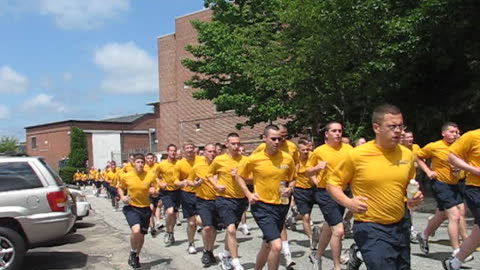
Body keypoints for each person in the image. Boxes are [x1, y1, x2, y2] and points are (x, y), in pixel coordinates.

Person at [327, 104, 423, 270]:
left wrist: (413, 199)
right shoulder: (357, 155)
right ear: (376, 127)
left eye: (400, 126)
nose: (398, 131)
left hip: (400, 225)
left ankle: (356, 254)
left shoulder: (407, 155)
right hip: (371, 226)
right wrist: (349, 203)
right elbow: (332, 184)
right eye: (392, 126)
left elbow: (408, 187)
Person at [237, 125, 296, 270]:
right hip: (262, 205)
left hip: (282, 205)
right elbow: (239, 176)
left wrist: (290, 189)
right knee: (276, 245)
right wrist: (249, 194)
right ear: (264, 139)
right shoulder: (254, 159)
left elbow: (293, 178)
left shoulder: (287, 158)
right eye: (273, 139)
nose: (277, 142)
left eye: (279, 139)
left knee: (268, 244)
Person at [416, 123, 470, 259]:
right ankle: (458, 251)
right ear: (443, 133)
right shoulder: (434, 146)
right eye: (451, 132)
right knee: (455, 215)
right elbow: (417, 156)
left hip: (455, 184)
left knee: (442, 215)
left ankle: (424, 235)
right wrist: (428, 171)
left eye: (457, 132)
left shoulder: (460, 146)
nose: (455, 134)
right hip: (440, 183)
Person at [307, 122, 353, 270]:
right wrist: (317, 168)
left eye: (340, 131)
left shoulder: (348, 149)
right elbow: (307, 172)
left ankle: (317, 255)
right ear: (327, 134)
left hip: (342, 191)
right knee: (338, 230)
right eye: (334, 131)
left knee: (329, 225)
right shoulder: (319, 151)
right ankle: (337, 266)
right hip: (325, 192)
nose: (338, 134)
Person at [442, 129, 480, 269]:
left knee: (478, 232)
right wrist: (473, 170)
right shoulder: (472, 136)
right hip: (476, 189)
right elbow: (451, 157)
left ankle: (454, 262)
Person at [210, 133, 248, 270]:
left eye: (238, 143)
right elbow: (209, 174)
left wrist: (240, 176)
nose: (236, 146)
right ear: (227, 144)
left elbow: (251, 178)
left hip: (240, 200)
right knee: (231, 230)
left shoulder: (245, 160)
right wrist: (216, 185)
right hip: (224, 199)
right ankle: (236, 262)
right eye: (233, 144)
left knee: (231, 231)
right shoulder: (219, 160)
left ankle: (225, 255)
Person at [117, 153, 158, 269]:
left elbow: (156, 190)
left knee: (142, 236)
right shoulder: (127, 176)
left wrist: (154, 191)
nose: (140, 164)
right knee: (136, 231)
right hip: (132, 207)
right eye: (138, 162)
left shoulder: (150, 175)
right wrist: (122, 197)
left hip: (145, 208)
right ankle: (133, 251)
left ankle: (136, 255)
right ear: (133, 163)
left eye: (142, 162)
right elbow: (120, 187)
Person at [189, 143, 218, 266]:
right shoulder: (198, 167)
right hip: (203, 200)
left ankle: (210, 250)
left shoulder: (220, 165)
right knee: (207, 227)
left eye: (214, 151)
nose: (212, 154)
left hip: (218, 200)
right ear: (204, 153)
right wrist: (195, 184)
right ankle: (206, 251)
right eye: (209, 151)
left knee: (214, 228)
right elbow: (190, 180)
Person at [174, 141, 204, 254]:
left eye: (191, 147)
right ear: (184, 150)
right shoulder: (179, 164)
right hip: (187, 194)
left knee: (201, 221)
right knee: (191, 223)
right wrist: (184, 182)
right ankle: (191, 243)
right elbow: (176, 181)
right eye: (187, 148)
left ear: (194, 149)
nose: (190, 150)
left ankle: (207, 247)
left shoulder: (201, 160)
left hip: (201, 193)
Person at [289, 138, 316, 249]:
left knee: (307, 214)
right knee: (306, 216)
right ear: (298, 150)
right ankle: (311, 239)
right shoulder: (294, 161)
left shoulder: (313, 157)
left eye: (307, 149)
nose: (306, 152)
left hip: (313, 189)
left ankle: (293, 219)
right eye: (303, 150)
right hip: (300, 190)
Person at [157, 144, 180, 245]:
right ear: (167, 152)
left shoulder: (179, 163)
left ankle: (171, 232)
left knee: (174, 215)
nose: (173, 153)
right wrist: (160, 183)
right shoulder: (162, 164)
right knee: (170, 212)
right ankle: (167, 231)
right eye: (171, 151)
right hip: (166, 191)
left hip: (177, 191)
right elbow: (155, 176)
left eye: (174, 151)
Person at [144, 153, 162, 237]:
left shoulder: (157, 166)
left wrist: (158, 189)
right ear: (146, 159)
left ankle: (156, 221)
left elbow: (161, 177)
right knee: (151, 210)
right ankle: (152, 227)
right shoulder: (144, 168)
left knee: (157, 206)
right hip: (148, 191)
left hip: (158, 190)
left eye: (151, 158)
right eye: (148, 158)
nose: (150, 160)